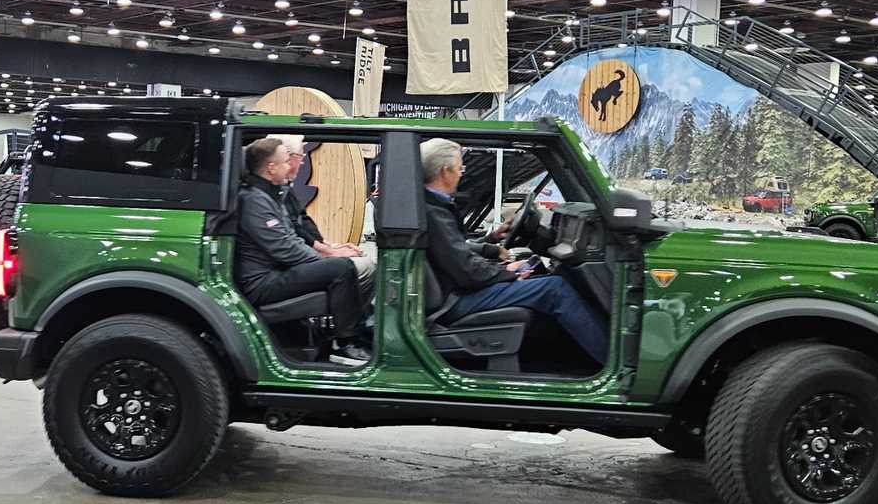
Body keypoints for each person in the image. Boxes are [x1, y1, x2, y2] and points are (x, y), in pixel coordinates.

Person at [418, 138, 611, 367]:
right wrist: (507, 273)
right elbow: (465, 268)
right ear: (445, 171)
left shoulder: (431, 205)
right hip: (454, 300)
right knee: (554, 288)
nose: (461, 173)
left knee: (540, 276)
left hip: (452, 290)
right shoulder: (434, 212)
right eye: (460, 168)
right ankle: (611, 365)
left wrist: (491, 242)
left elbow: (456, 250)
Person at [236, 138, 371, 365]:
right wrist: (325, 258)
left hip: (277, 271)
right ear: (271, 168)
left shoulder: (270, 194)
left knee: (339, 265)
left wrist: (326, 253)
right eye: (285, 161)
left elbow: (294, 236)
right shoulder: (253, 200)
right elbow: (286, 249)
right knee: (341, 269)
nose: (290, 166)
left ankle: (352, 330)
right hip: (263, 282)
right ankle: (345, 343)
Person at [274, 135, 377, 295]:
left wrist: (328, 246)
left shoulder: (283, 190)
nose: (302, 162)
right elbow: (292, 233)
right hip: (284, 268)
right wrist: (326, 252)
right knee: (358, 267)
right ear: (285, 156)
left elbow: (302, 221)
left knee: (362, 262)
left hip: (298, 256)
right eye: (300, 156)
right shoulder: (266, 197)